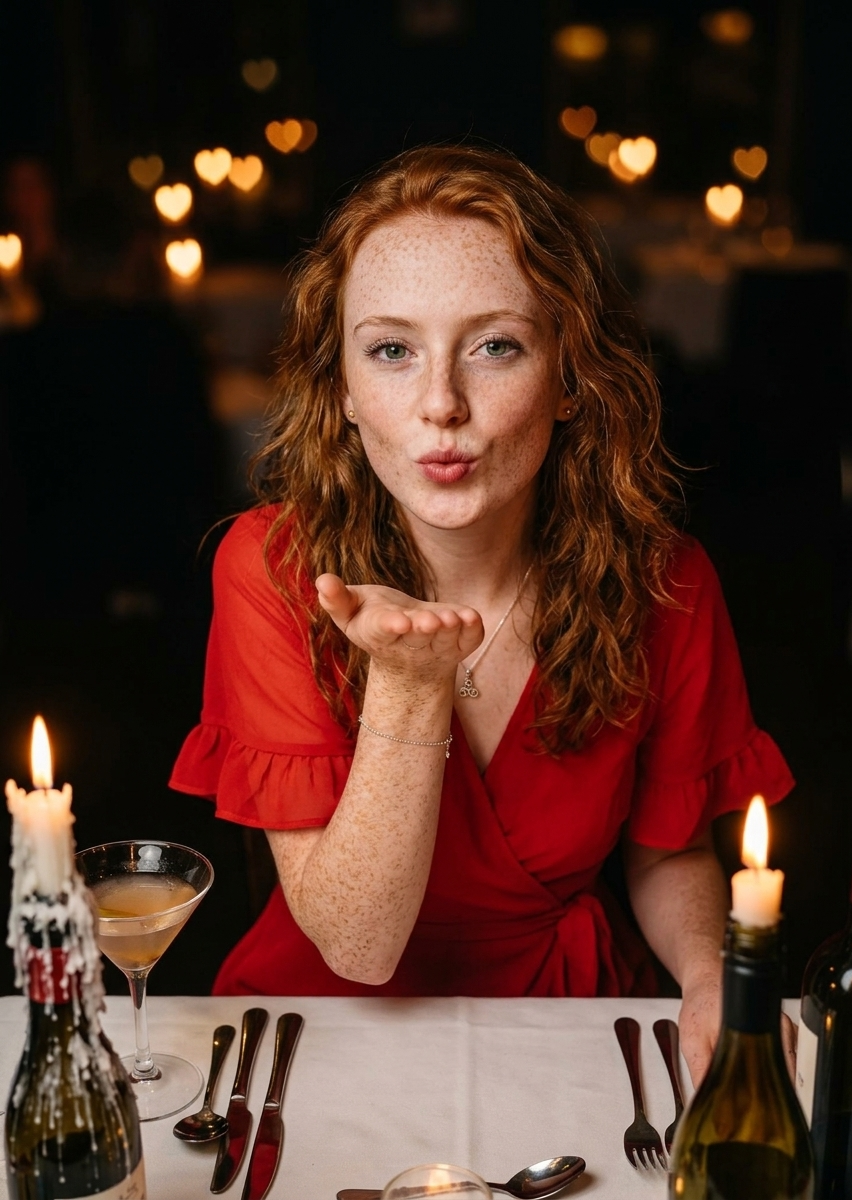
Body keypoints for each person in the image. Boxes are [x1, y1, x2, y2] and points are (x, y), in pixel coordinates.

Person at [170, 145, 795, 1086]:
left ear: (570, 374)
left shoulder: (665, 580)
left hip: (566, 1033)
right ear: (342, 388)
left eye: (495, 346)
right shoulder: (272, 567)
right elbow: (359, 945)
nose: (440, 406)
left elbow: (669, 857)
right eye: (391, 350)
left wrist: (708, 977)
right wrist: (411, 684)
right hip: (321, 1038)